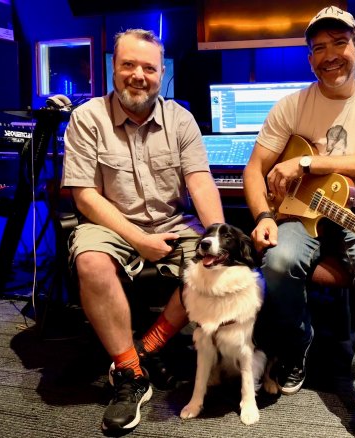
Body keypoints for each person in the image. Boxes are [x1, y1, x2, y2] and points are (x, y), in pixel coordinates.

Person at [243, 6, 355, 438]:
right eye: (318, 48)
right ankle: (297, 347)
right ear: (310, 59)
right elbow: (254, 169)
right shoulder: (291, 105)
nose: (330, 55)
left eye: (339, 43)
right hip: (301, 212)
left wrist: (305, 162)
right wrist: (262, 216)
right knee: (275, 262)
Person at [61, 29, 224, 431]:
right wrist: (138, 240)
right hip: (110, 224)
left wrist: (219, 235)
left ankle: (145, 349)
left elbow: (200, 182)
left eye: (148, 68)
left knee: (214, 266)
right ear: (113, 69)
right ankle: (130, 375)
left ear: (161, 72)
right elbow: (84, 196)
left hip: (172, 222)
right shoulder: (87, 118)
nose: (138, 75)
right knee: (92, 263)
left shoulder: (180, 119)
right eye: (128, 65)